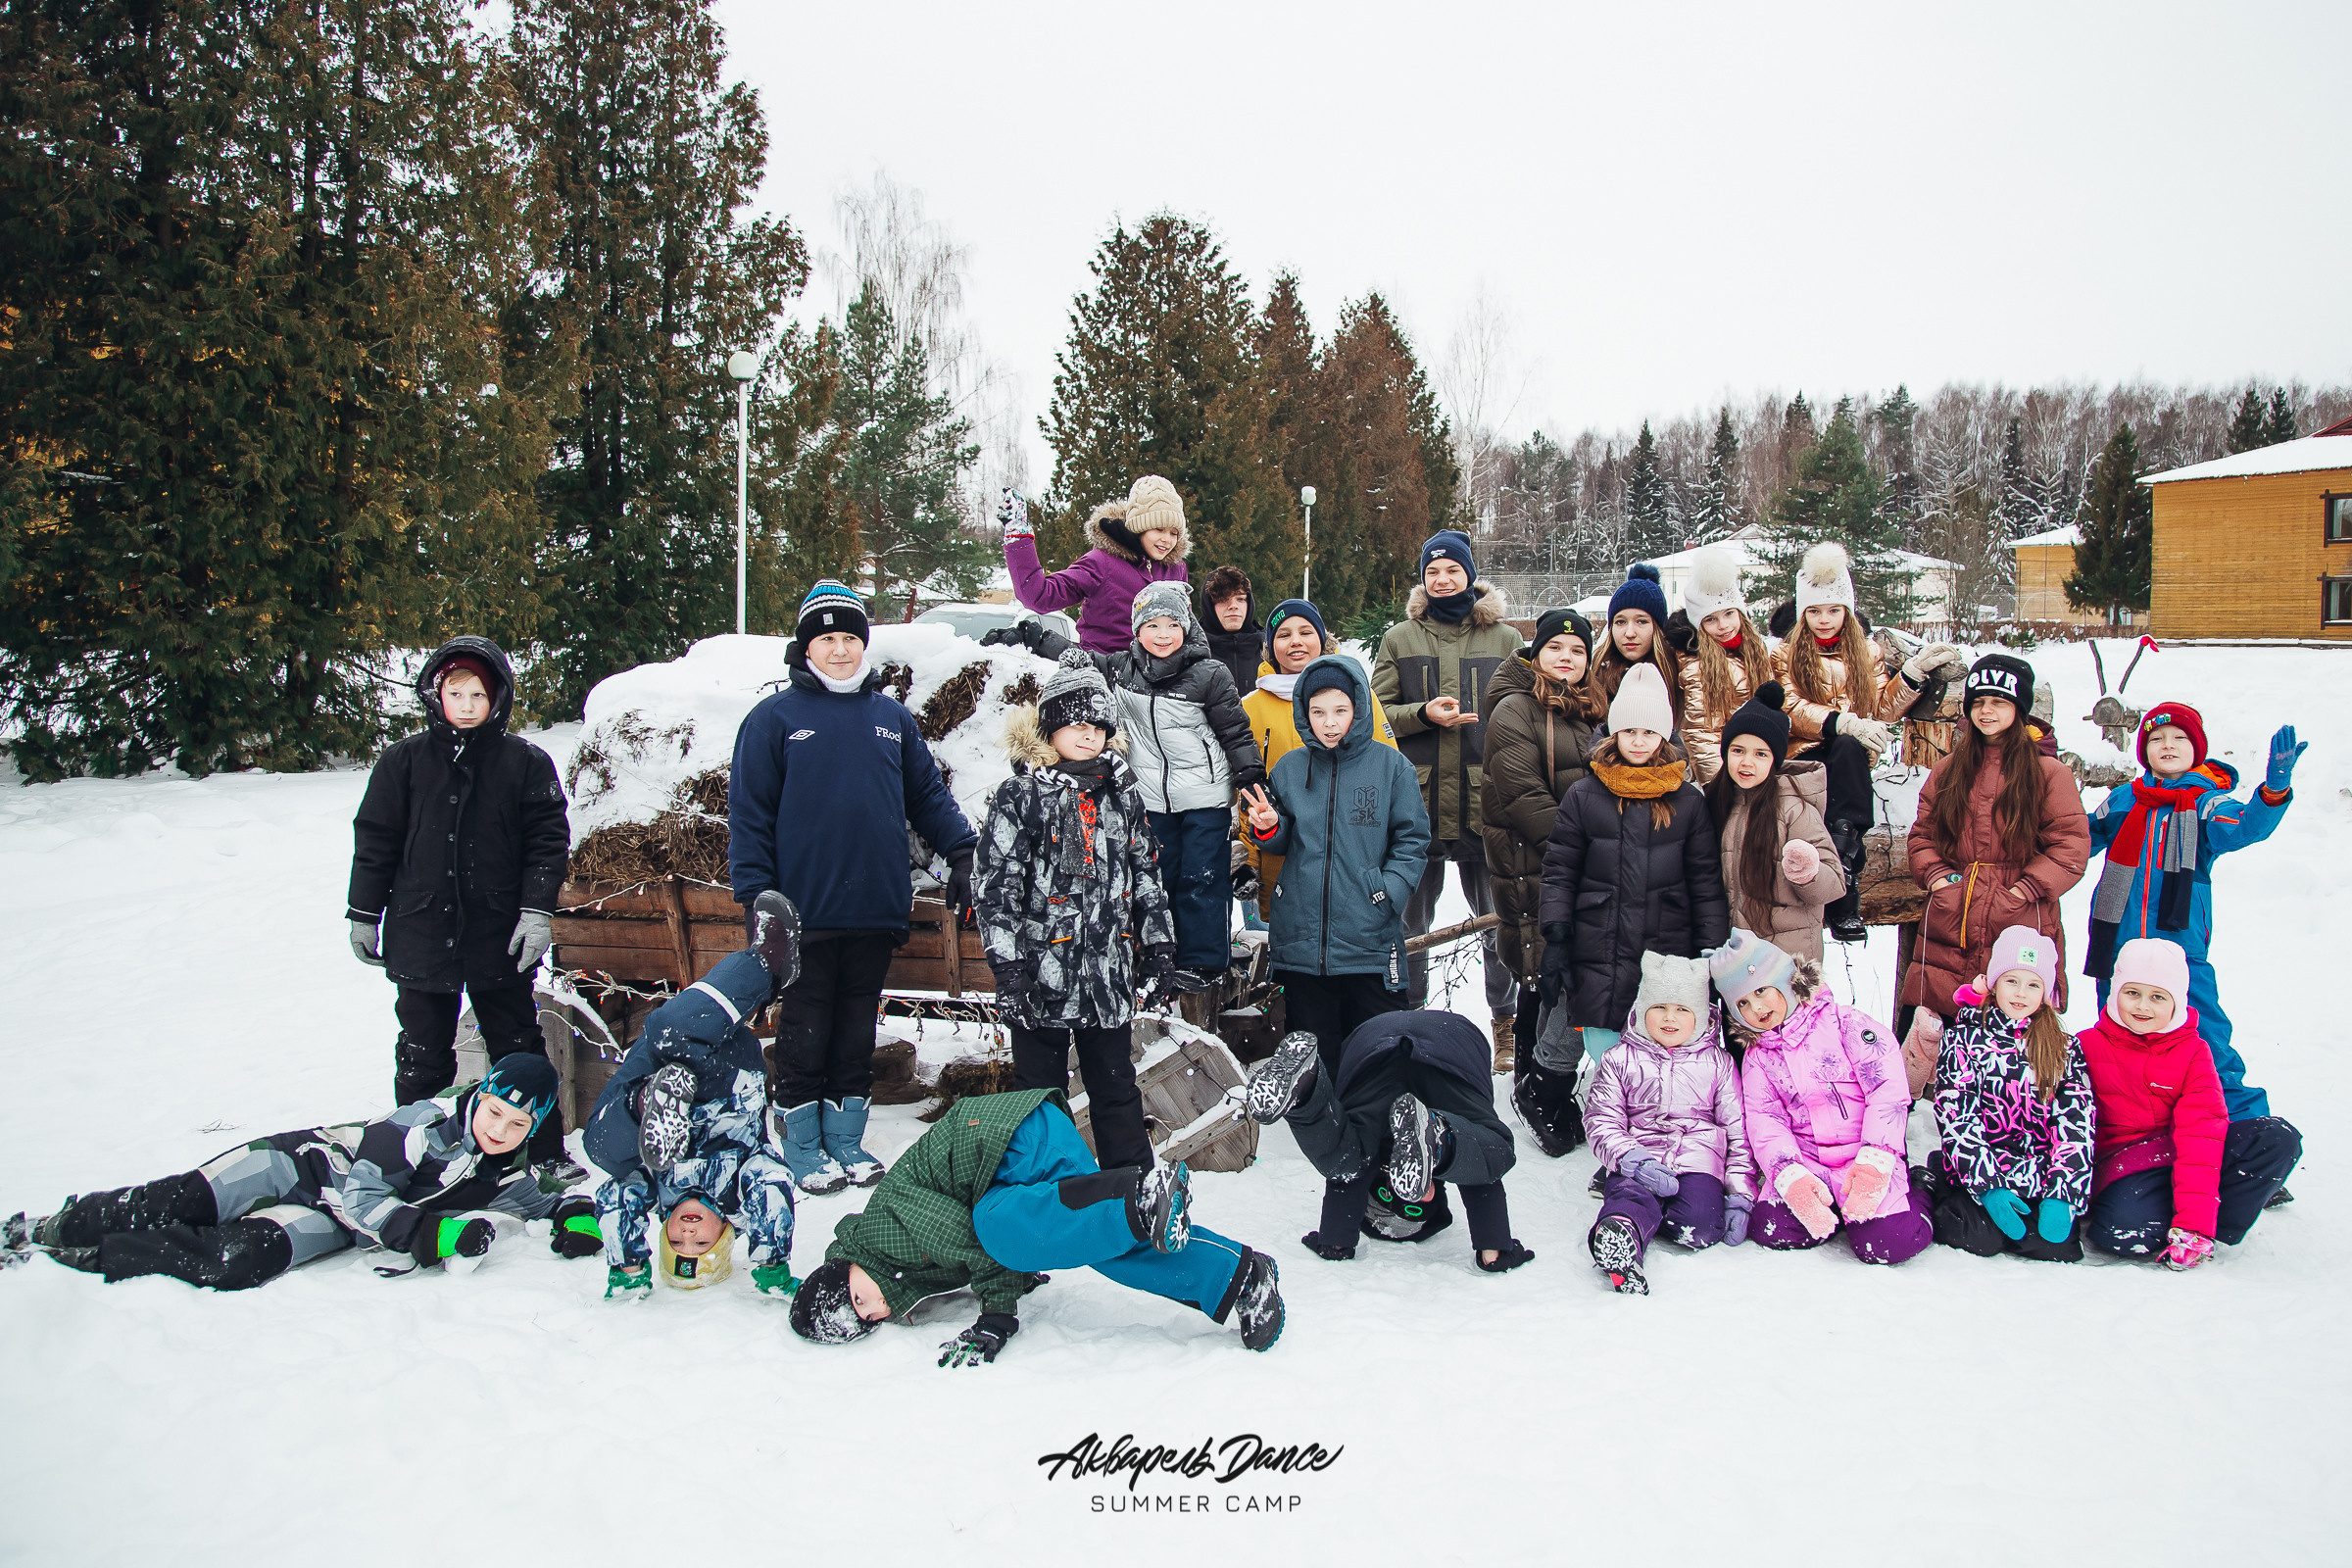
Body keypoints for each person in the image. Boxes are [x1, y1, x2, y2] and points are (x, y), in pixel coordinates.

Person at [729, 580, 978, 1195]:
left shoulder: (889, 719)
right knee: (806, 1025)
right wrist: (758, 895)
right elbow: (750, 813)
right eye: (826, 639)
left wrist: (963, 847)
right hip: (803, 911)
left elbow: (925, 794)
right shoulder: (774, 719)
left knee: (855, 1025)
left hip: (872, 903)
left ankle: (846, 1137)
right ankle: (803, 1141)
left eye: (849, 639)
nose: (840, 650)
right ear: (805, 648)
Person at [5, 1056, 588, 1288]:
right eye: (494, 1112)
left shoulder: (498, 1165)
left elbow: (533, 1200)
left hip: (335, 1222)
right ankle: (56, 1226)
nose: (499, 1130)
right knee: (182, 1200)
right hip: (295, 1166)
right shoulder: (421, 1124)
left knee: (241, 1258)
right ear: (479, 1096)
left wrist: (577, 1217)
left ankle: (84, 1262)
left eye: (516, 1125)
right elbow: (364, 1197)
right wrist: (435, 1236)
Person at [789, 1089, 1284, 1360]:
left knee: (1003, 1228)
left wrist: (996, 1316)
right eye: (867, 1319)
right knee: (1101, 1238)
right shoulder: (890, 1270)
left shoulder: (884, 1231)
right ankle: (1239, 1272)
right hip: (1014, 1151)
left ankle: (1141, 1201)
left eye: (857, 1297)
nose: (875, 1307)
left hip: (1010, 1140)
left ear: (844, 1269)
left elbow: (973, 1244)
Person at [348, 637, 570, 1164]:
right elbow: (374, 840)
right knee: (423, 1051)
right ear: (436, 694)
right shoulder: (403, 762)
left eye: (478, 694)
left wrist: (537, 910)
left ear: (497, 699)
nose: (467, 705)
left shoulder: (525, 763)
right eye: (456, 693)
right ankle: (417, 1151)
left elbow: (547, 841)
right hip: (420, 930)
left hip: (498, 933)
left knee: (516, 1046)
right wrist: (363, 912)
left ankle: (541, 1151)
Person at [1000, 582, 1264, 992]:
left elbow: (1235, 730)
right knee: (1162, 875)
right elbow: (1082, 659)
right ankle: (1167, 954)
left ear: (1188, 626)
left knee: (1203, 877)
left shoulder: (1209, 674)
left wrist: (1248, 773)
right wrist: (1038, 638)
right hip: (1151, 800)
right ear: (1137, 629)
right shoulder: (1123, 669)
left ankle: (1205, 961)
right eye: (1152, 624)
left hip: (1204, 796)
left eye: (1172, 624)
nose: (1162, 634)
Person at [974, 653, 1175, 1173]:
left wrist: (1158, 946)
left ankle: (1131, 1191)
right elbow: (996, 886)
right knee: (1039, 1100)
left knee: (1115, 1088)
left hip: (1108, 974)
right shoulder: (1020, 796)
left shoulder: (1122, 795)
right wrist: (1010, 969)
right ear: (1050, 728)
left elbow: (1145, 871)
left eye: (1099, 726)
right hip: (1041, 977)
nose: (1089, 735)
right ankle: (1042, 1195)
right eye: (1076, 724)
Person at [2082, 702, 2303, 1121]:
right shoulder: (2123, 799)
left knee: (2205, 1037)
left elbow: (2246, 828)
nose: (2167, 745)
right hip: (2118, 942)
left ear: (2196, 749)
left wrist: (2273, 792)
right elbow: (2078, 840)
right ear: (2144, 750)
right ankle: (2126, 1126)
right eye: (2156, 739)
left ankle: (2244, 1130)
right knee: (2116, 1038)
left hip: (2180, 946)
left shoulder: (2206, 804)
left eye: (2179, 738)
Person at [585, 899, 803, 1299]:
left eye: (676, 1242)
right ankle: (765, 963)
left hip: (653, 1076)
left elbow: (618, 1199)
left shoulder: (654, 1193)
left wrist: (628, 1266)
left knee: (602, 1153)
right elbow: (772, 1187)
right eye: (702, 1243)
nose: (688, 1234)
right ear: (725, 1231)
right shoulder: (739, 1192)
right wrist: (773, 1263)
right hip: (727, 1082)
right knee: (675, 1026)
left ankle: (652, 1099)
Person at [1900, 653, 2090, 1094]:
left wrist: (2025, 888)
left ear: (2020, 711)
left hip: (2019, 912)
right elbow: (1922, 836)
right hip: (1955, 910)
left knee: (2012, 1025)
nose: (1987, 711)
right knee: (1938, 1027)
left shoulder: (2048, 773)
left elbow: (2070, 845)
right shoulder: (1949, 769)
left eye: (1999, 702)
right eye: (1979, 701)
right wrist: (1940, 879)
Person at [1242, 655, 1429, 1076]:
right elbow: (1282, 835)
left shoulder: (1391, 767)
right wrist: (1271, 828)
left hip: (1369, 938)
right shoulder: (1290, 768)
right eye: (1318, 712)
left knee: (1377, 1053)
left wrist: (1385, 893)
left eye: (1340, 711)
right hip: (1303, 941)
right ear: (1304, 714)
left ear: (1359, 708)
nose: (1329, 723)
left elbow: (1412, 841)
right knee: (1315, 1054)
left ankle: (1376, 1133)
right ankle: (1325, 1133)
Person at [1768, 544, 1966, 943]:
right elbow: (1791, 706)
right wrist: (1844, 723)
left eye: (1833, 610)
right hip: (1804, 753)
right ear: (1803, 613)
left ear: (1847, 610)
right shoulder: (1786, 653)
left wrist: (1910, 675)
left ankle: (1842, 867)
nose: (1824, 620)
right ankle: (1846, 894)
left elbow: (1881, 709)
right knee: (1844, 748)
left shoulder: (1866, 651)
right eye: (1815, 611)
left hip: (1850, 761)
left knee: (1849, 752)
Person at [1537, 663, 1730, 1061]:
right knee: (1608, 1058)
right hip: (1598, 945)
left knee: (1663, 1061)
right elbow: (1560, 869)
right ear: (1613, 732)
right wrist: (1556, 933)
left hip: (1668, 946)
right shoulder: (1584, 794)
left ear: (1664, 736)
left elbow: (1705, 880)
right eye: (1629, 731)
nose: (1638, 742)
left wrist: (1711, 946)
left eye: (1649, 732)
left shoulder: (1688, 801)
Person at [1242, 1013, 1533, 1272]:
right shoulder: (1456, 1145)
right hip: (1445, 1048)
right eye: (1416, 1207)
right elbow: (1481, 1172)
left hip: (1380, 1046)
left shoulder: (1366, 1153)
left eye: (1389, 1195)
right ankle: (1309, 1094)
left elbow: (1347, 1174)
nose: (1405, 1194)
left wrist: (1336, 1243)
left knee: (1348, 1160)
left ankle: (1305, 1092)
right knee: (1489, 1154)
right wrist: (1494, 1250)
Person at [1708, 929, 1930, 1266]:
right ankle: (1834, 1209)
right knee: (1771, 1229)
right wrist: (1790, 1174)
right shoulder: (1758, 1058)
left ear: (1787, 982)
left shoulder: (1846, 1025)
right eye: (1742, 1003)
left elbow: (1887, 1091)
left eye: (1761, 991)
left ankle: (1920, 1196)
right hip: (1808, 1160)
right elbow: (1765, 1120)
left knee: (1888, 1244)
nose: (1756, 1008)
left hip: (1865, 1153)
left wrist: (1876, 1159)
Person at [1371, 530, 1519, 1033]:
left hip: (1487, 803)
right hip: (1420, 805)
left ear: (1469, 575)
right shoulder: (1400, 639)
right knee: (1410, 924)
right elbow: (1376, 714)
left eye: (1452, 569)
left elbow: (1523, 711)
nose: (1442, 579)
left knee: (1500, 921)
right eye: (1432, 571)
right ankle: (1411, 1016)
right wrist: (1422, 713)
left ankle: (1504, 1021)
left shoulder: (1506, 640)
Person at [2076, 938, 2300, 1267]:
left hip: (2181, 1151)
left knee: (2277, 1137)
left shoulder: (2193, 1052)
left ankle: (2204, 1226)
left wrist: (2194, 1225)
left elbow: (2202, 1135)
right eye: (2132, 993)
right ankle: (2157, 1211)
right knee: (2123, 1237)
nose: (2142, 1007)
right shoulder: (2087, 1045)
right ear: (2115, 992)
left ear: (2176, 1002)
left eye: (2157, 997)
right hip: (2127, 1164)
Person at [1478, 605, 1600, 1140]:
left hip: (1568, 860)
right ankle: (1534, 1084)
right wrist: (1587, 854)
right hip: (1533, 860)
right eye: (1555, 648)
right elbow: (1524, 795)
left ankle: (1538, 1078)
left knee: (1553, 967)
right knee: (1536, 964)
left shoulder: (1587, 707)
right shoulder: (1515, 710)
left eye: (1577, 651)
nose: (1566, 658)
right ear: (1534, 653)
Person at [1919, 925, 2094, 1262]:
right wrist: (1989, 1186)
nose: (2020, 993)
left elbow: (2077, 1123)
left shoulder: (2064, 1048)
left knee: (2055, 1246)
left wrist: (2061, 1193)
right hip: (1982, 1170)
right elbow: (1958, 1118)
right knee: (1977, 1237)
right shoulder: (1965, 1040)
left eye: (2033, 984)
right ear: (1994, 983)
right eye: (2012, 981)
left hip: (2038, 1175)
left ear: (2045, 991)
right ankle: (1935, 1185)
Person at [1584, 954, 1755, 1295]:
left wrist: (1740, 1194)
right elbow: (1602, 1119)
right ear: (1643, 1009)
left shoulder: (1718, 1063)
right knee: (1630, 1195)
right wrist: (1630, 1158)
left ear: (1702, 1017)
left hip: (1699, 1160)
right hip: (1641, 1156)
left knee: (1702, 1228)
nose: (1670, 1018)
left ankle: (1650, 1217)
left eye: (1682, 1010)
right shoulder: (1620, 1058)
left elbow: (1737, 1129)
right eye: (1659, 1007)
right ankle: (1621, 1234)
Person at [1237, 598, 1400, 924]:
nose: (1295, 641)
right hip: (1279, 854)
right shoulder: (1250, 708)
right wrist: (1249, 859)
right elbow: (1243, 789)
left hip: (1351, 854)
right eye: (1283, 634)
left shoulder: (1357, 694)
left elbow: (1389, 773)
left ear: (1322, 640)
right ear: (1271, 647)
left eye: (1306, 631)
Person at [1701, 682, 1843, 968]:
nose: (1747, 762)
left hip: (1788, 962)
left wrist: (1808, 873)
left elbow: (1834, 883)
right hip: (1739, 964)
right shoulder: (1717, 802)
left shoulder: (1793, 807)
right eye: (1738, 750)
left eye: (1760, 754)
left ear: (1775, 760)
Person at [997, 478, 1190, 656]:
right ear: (1140, 526)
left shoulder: (1175, 569)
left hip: (1159, 680)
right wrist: (1018, 537)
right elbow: (1038, 595)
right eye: (1159, 529)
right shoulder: (1103, 563)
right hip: (1106, 673)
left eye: (1174, 533)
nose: (1167, 540)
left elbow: (1185, 626)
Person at [1666, 546, 1772, 783]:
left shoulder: (1756, 652)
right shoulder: (1697, 666)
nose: (1723, 626)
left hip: (1758, 766)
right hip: (1729, 774)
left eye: (1729, 614)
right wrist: (1721, 787)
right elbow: (1702, 736)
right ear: (1699, 625)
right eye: (1711, 619)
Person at [1589, 563, 1680, 713]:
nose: (1629, 633)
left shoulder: (1684, 678)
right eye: (1620, 622)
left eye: (1641, 621)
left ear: (1658, 628)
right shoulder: (1592, 678)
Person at [1199, 564, 1262, 699]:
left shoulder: (1268, 648)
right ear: (1209, 605)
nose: (1233, 606)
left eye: (1240, 599)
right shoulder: (1193, 650)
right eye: (1223, 599)